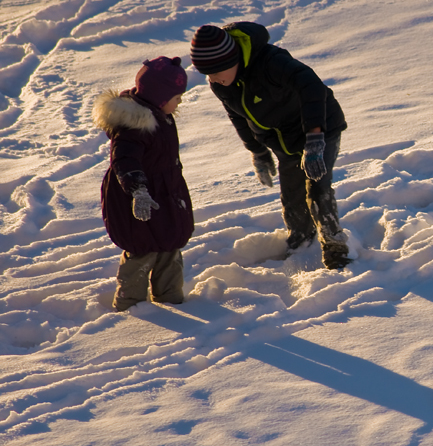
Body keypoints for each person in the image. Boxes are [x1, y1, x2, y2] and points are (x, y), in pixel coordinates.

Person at [189, 22, 350, 269]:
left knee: (317, 188)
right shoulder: (222, 83)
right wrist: (258, 151)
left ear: (232, 60)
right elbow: (238, 116)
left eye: (215, 72)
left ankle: (335, 247)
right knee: (292, 197)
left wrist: (315, 139)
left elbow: (312, 86)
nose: (212, 80)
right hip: (283, 143)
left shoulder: (271, 62)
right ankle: (300, 246)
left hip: (320, 130)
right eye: (207, 75)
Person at [93, 56, 194, 311]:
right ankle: (130, 309)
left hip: (166, 194)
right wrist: (138, 190)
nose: (180, 101)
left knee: (169, 247)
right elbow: (124, 161)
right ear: (160, 96)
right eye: (176, 97)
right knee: (142, 252)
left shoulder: (160, 116)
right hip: (137, 199)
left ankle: (172, 301)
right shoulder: (134, 126)